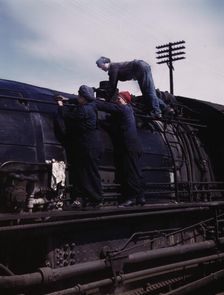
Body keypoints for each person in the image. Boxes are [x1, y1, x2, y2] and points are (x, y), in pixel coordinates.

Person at [56, 85, 103, 208]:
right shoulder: (92, 105)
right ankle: (86, 198)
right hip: (89, 144)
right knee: (87, 172)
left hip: (88, 145)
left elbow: (67, 116)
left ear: (83, 97)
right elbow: (78, 101)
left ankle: (96, 199)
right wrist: (68, 99)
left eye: (79, 96)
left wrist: (61, 105)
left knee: (89, 173)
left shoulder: (84, 110)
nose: (77, 97)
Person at [96, 91, 146, 207]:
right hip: (132, 145)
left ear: (125, 100)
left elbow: (106, 107)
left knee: (130, 172)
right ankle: (140, 197)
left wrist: (90, 100)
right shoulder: (127, 112)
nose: (117, 100)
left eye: (119, 99)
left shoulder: (124, 109)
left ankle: (132, 198)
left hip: (129, 146)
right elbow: (114, 128)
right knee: (136, 172)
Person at [96, 57, 173, 118]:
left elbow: (112, 87)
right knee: (148, 93)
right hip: (141, 68)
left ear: (106, 63)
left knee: (149, 92)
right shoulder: (114, 67)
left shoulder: (112, 68)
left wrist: (106, 102)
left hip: (140, 68)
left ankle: (156, 112)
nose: (101, 68)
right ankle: (166, 109)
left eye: (101, 66)